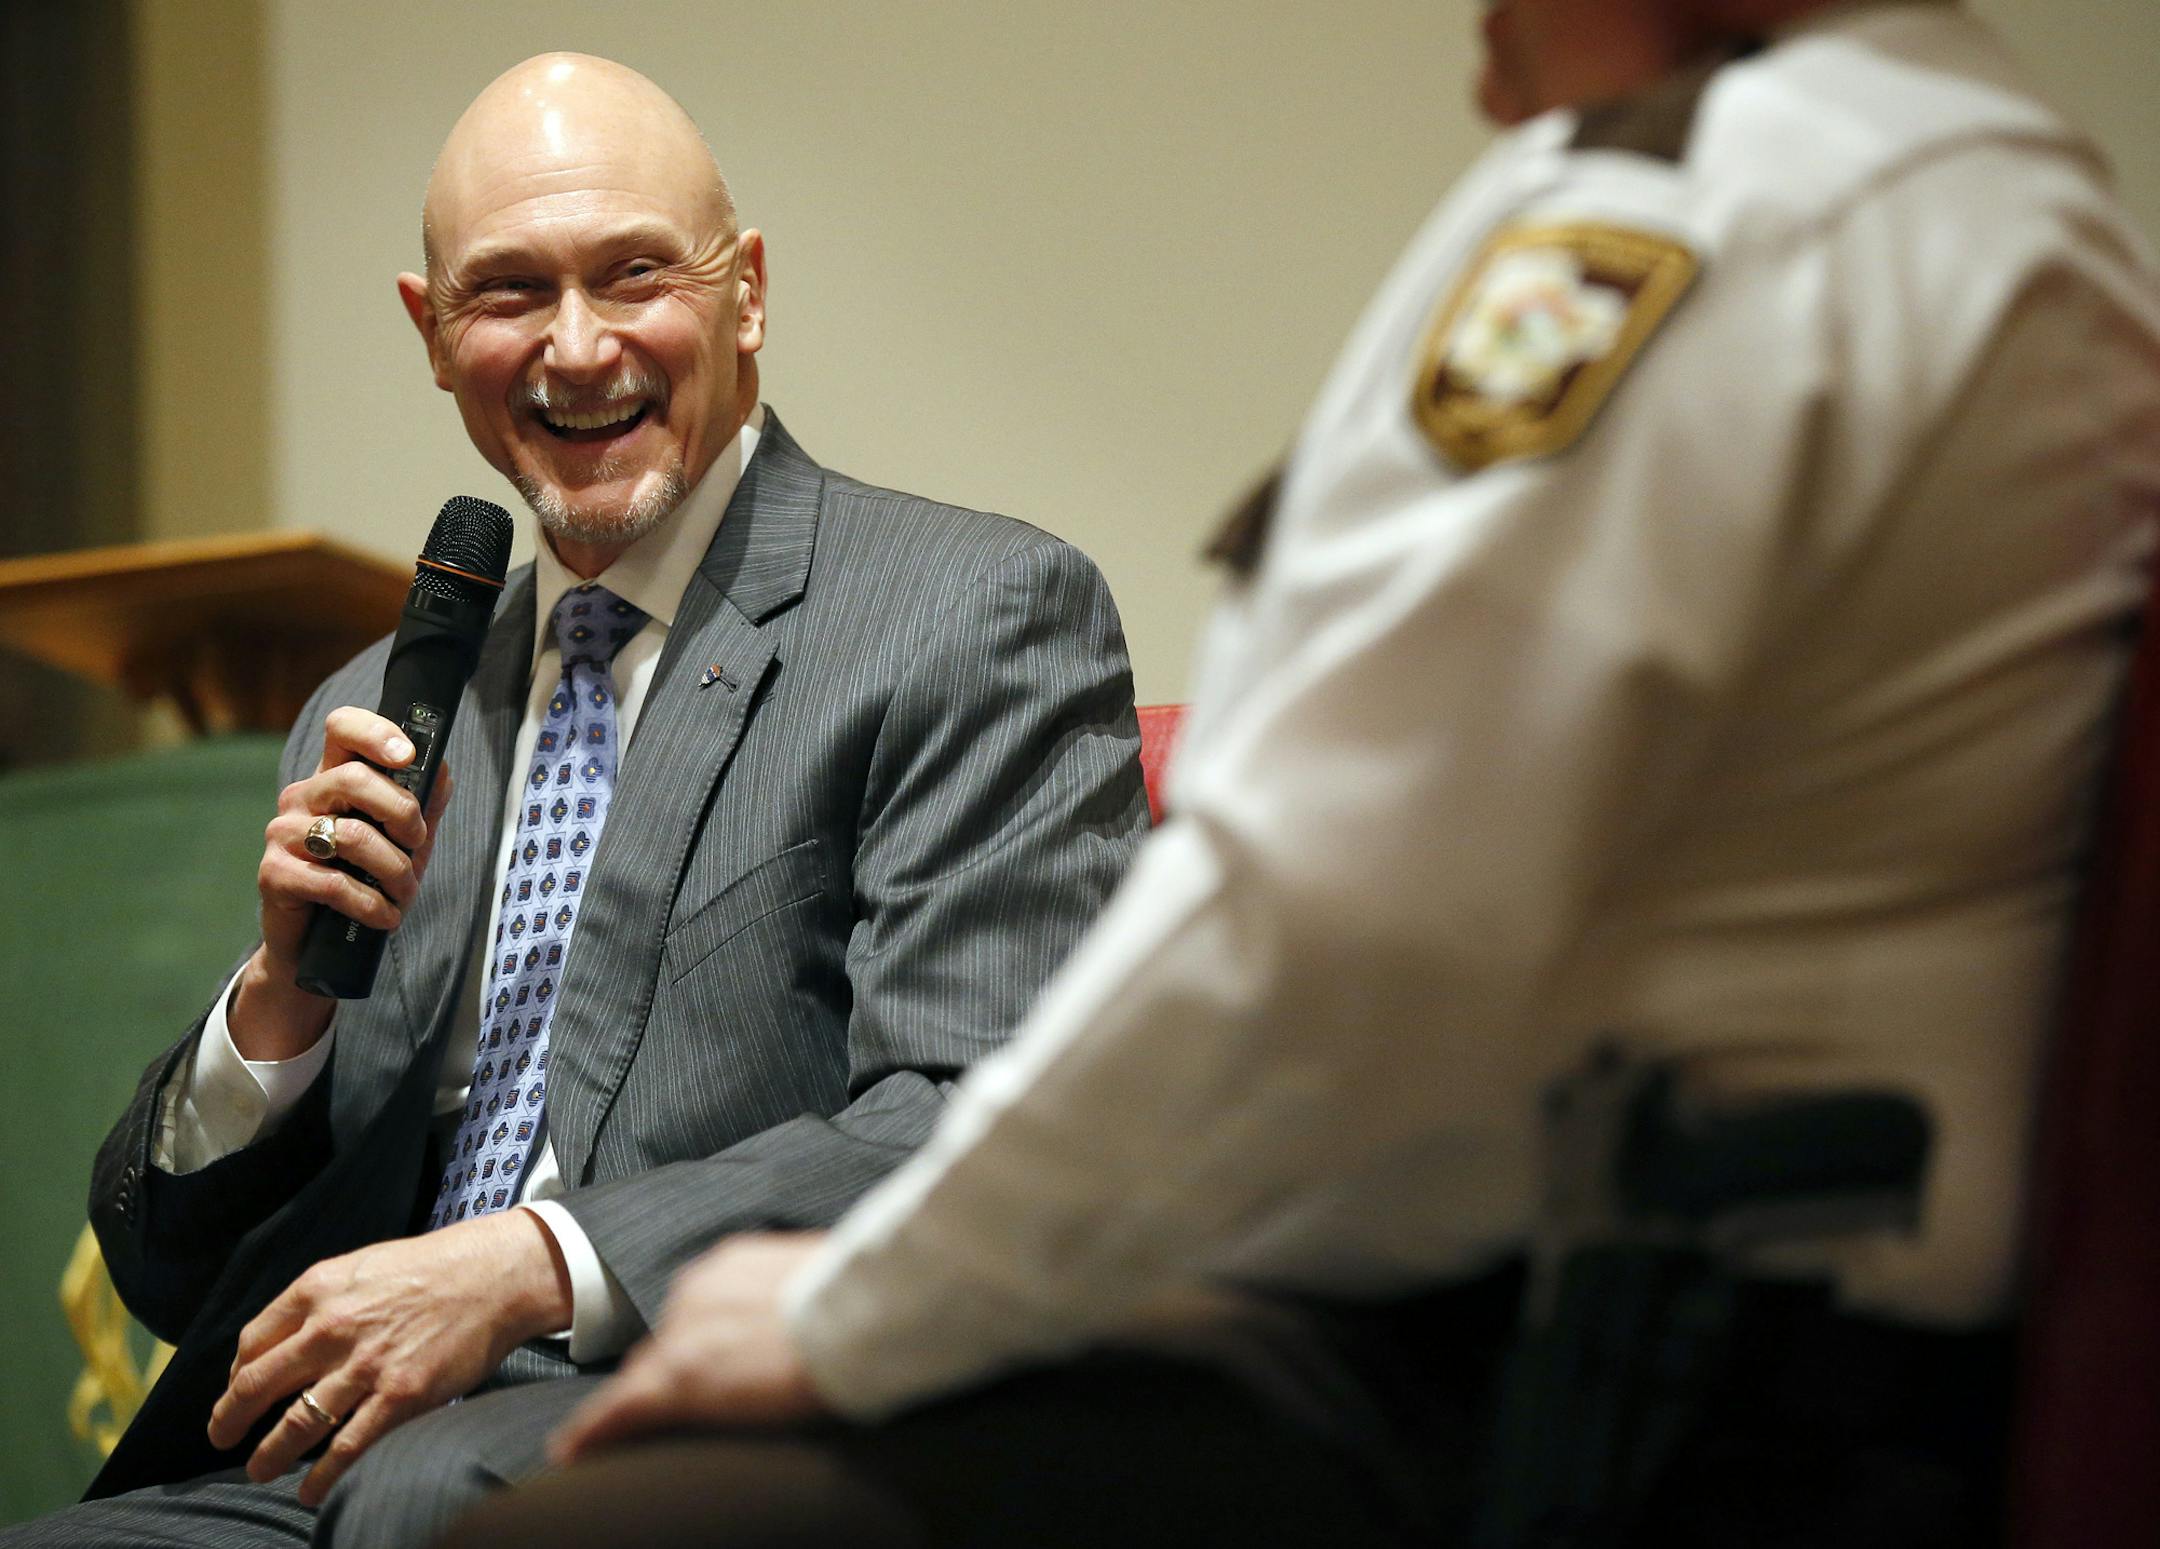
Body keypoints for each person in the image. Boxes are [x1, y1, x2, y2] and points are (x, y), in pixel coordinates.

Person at [445, 3, 2160, 1546]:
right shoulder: (2024, 201)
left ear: (746, 288)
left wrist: (854, 1311)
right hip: (1814, 1357)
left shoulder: (1699, 203)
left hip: (1584, 1382)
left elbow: (1320, 914)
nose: (1478, 40)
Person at [3, 51, 1148, 1549]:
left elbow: (984, 1116)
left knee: (426, 1501)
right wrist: (279, 1002)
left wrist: (529, 1263)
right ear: (430, 333)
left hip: (708, 1413)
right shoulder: (387, 698)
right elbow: (171, 1275)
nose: (579, 347)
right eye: (508, 293)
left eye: (633, 275)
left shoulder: (971, 613)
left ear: (745, 293)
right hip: (311, 1459)